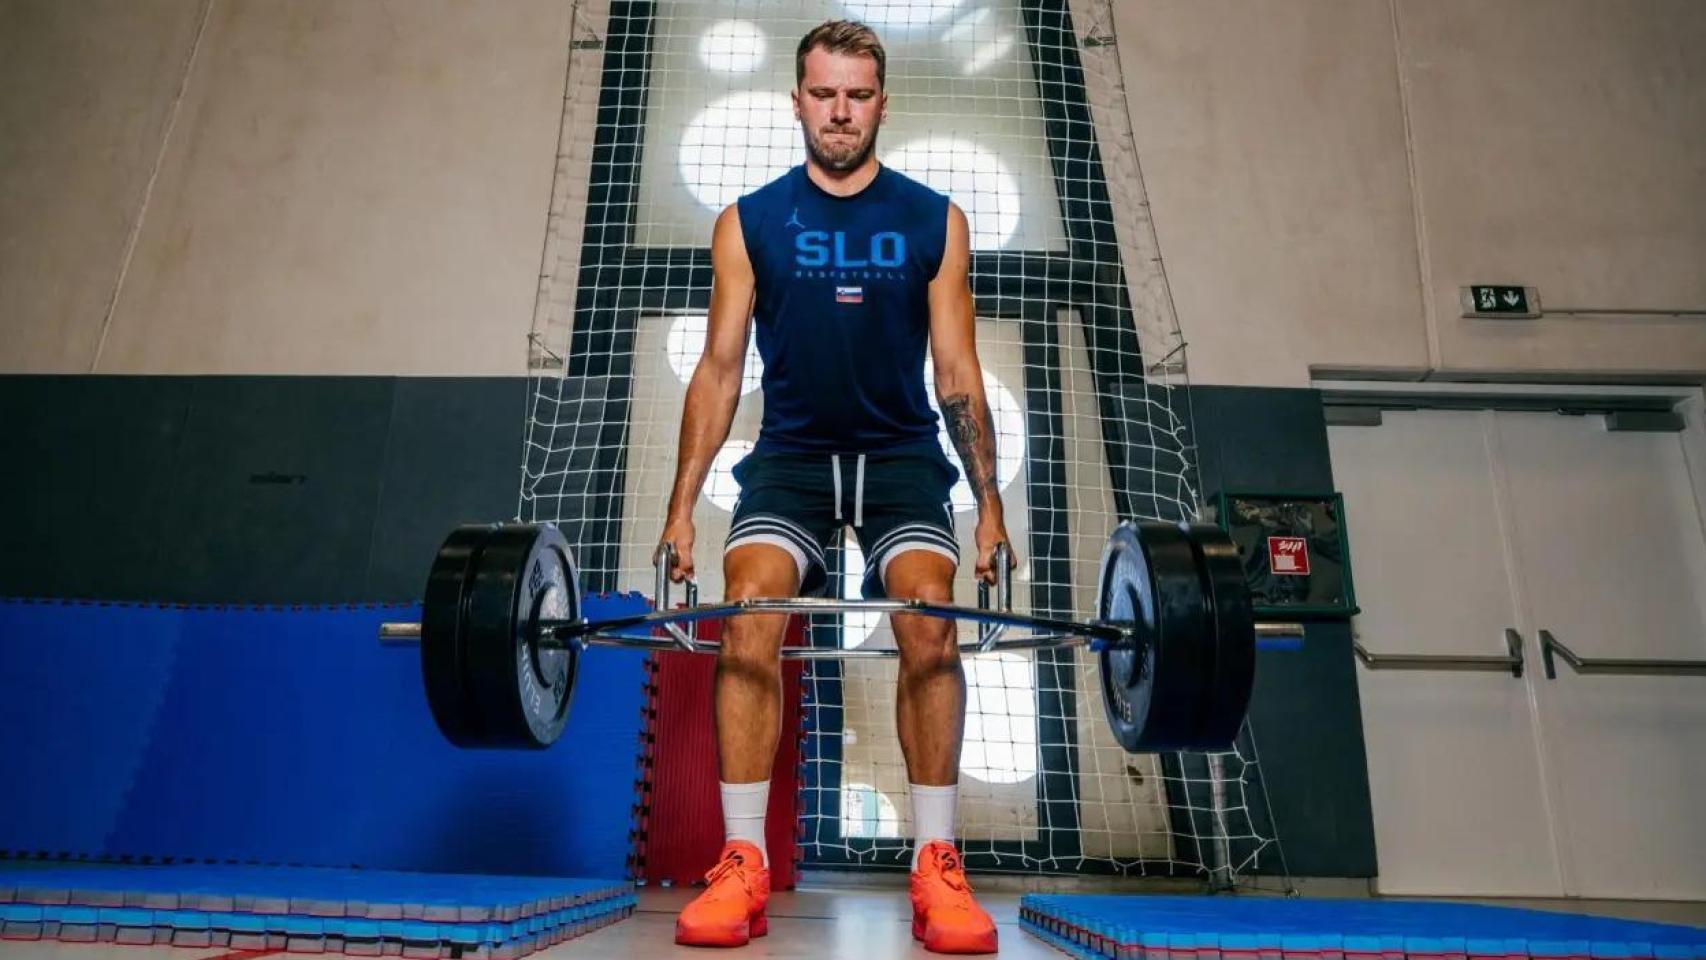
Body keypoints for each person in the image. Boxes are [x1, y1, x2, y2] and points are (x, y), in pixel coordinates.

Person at [658, 19, 1012, 956]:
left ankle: (936, 863)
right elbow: (721, 368)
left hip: (900, 457)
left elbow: (958, 370)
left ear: (881, 105)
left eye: (858, 95)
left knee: (930, 618)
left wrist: (991, 506)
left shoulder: (935, 219)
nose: (841, 111)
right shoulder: (749, 221)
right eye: (825, 93)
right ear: (799, 101)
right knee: (749, 611)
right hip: (794, 458)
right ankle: (742, 863)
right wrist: (681, 507)